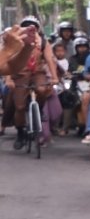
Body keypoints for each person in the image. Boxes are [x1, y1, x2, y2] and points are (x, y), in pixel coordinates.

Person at [3, 17, 59, 150]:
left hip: (37, 73)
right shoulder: (17, 42)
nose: (30, 29)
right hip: (20, 74)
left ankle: (39, 108)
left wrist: (54, 77)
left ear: (38, 29)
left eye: (33, 27)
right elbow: (9, 62)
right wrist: (9, 79)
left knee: (42, 89)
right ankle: (20, 132)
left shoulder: (44, 43)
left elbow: (50, 59)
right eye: (27, 26)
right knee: (20, 107)